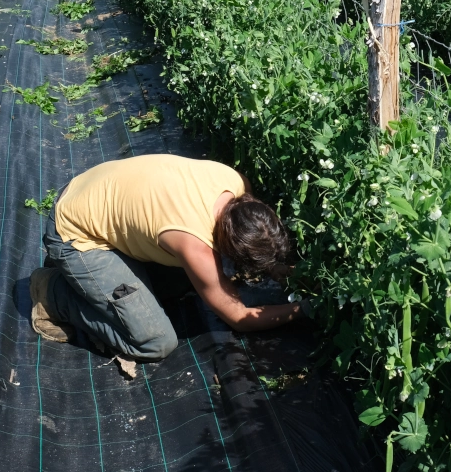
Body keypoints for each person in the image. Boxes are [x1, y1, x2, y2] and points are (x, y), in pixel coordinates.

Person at [29, 154, 307, 361]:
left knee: (181, 283)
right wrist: (303, 310)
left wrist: (279, 268)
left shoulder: (234, 183)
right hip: (75, 232)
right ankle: (54, 293)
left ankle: (89, 280)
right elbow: (240, 318)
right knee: (155, 341)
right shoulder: (194, 246)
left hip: (92, 190)